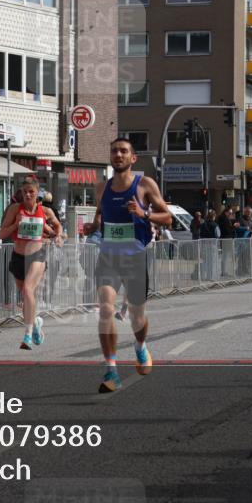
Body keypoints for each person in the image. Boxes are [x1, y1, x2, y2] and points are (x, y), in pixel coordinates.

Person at [82, 138, 171, 393]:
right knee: (106, 309)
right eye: (114, 151)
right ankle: (111, 370)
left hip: (135, 257)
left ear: (133, 158)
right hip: (108, 257)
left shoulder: (144, 185)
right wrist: (94, 226)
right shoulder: (102, 188)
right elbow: (101, 214)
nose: (118, 154)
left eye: (123, 151)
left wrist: (144, 214)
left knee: (136, 316)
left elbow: (167, 218)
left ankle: (140, 347)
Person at [0, 176, 63, 350]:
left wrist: (57, 236)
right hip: (18, 257)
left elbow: (58, 226)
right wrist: (16, 225)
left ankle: (27, 335)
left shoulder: (46, 211)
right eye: (25, 192)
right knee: (25, 299)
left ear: (37, 193)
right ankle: (36, 323)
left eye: (31, 192)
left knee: (28, 289)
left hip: (37, 255)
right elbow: (2, 234)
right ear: (21, 193)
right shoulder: (14, 209)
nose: (27, 195)